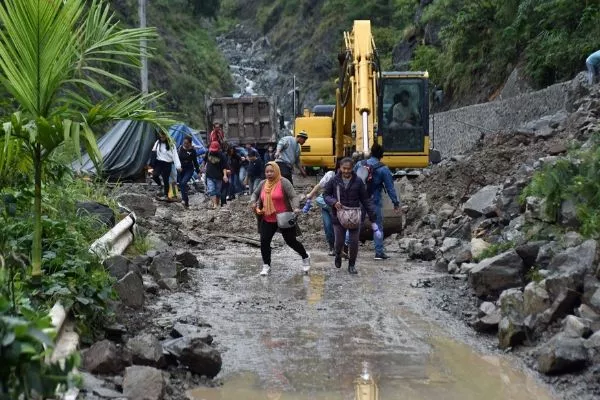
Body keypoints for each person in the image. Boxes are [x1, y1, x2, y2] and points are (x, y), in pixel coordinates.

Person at [250, 162, 310, 276]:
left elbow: (293, 196)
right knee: (264, 242)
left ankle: (305, 256)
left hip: (284, 218)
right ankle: (266, 265)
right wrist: (253, 201)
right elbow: (255, 194)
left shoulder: (284, 182)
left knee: (291, 241)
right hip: (268, 218)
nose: (269, 174)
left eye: (271, 171)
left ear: (277, 171)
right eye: (267, 172)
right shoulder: (263, 183)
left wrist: (296, 208)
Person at [323, 158, 378, 275]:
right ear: (340, 168)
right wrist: (333, 202)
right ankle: (338, 253)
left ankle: (351, 265)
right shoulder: (334, 180)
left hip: (354, 216)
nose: (346, 171)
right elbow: (326, 195)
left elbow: (365, 200)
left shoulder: (358, 182)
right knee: (339, 241)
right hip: (338, 216)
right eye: (344, 168)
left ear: (352, 168)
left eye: (349, 169)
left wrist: (373, 216)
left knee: (353, 242)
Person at [356, 143, 401, 260]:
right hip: (374, 200)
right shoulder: (383, 169)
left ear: (371, 152)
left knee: (356, 225)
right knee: (377, 225)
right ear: (381, 155)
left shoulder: (360, 164)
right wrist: (395, 203)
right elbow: (390, 188)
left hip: (360, 199)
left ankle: (346, 246)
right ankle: (379, 252)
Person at [305, 160, 341, 256]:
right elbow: (320, 185)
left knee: (339, 228)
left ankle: (341, 248)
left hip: (339, 207)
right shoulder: (330, 175)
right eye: (343, 168)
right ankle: (332, 247)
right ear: (338, 168)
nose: (345, 171)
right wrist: (310, 195)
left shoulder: (350, 178)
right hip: (328, 204)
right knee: (328, 226)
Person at [152, 131, 181, 200]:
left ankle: (172, 195)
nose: (162, 138)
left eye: (163, 137)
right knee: (159, 176)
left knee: (171, 179)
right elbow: (153, 151)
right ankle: (169, 193)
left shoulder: (171, 145)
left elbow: (175, 156)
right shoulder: (158, 143)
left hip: (169, 163)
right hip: (160, 163)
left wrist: (178, 166)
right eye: (161, 137)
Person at [203, 141, 229, 209]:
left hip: (218, 177)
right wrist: (203, 168)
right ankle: (215, 204)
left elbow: (224, 167)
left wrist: (225, 175)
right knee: (211, 190)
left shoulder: (222, 155)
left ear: (218, 149)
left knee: (217, 192)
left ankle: (216, 203)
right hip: (209, 175)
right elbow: (204, 161)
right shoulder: (208, 153)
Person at [177, 136, 201, 208]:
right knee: (181, 184)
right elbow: (177, 159)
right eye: (184, 143)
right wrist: (178, 167)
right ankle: (186, 202)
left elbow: (195, 162)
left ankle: (184, 200)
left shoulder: (193, 151)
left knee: (184, 182)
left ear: (190, 143)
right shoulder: (180, 149)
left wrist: (198, 172)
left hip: (189, 169)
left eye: (187, 143)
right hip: (181, 169)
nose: (185, 144)